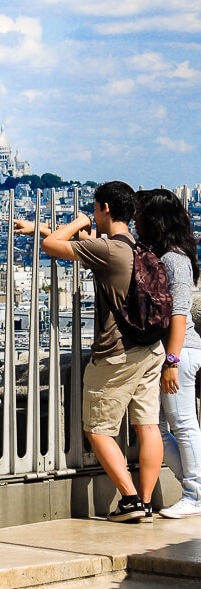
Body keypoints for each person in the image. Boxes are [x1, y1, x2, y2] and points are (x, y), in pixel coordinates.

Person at [14, 181, 164, 522]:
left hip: (117, 353)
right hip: (150, 349)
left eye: (95, 208)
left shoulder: (108, 250)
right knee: (148, 424)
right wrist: (38, 227)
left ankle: (129, 500)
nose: (93, 215)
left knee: (97, 428)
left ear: (105, 209)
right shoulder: (133, 248)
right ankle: (146, 499)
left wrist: (79, 221)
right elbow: (75, 242)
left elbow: (55, 246)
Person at [135, 189, 201, 519]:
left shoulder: (175, 260)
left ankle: (195, 493)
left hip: (179, 352)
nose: (135, 219)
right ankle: (194, 489)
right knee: (159, 427)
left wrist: (171, 362)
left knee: (183, 424)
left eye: (140, 214)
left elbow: (180, 313)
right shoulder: (161, 255)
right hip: (169, 354)